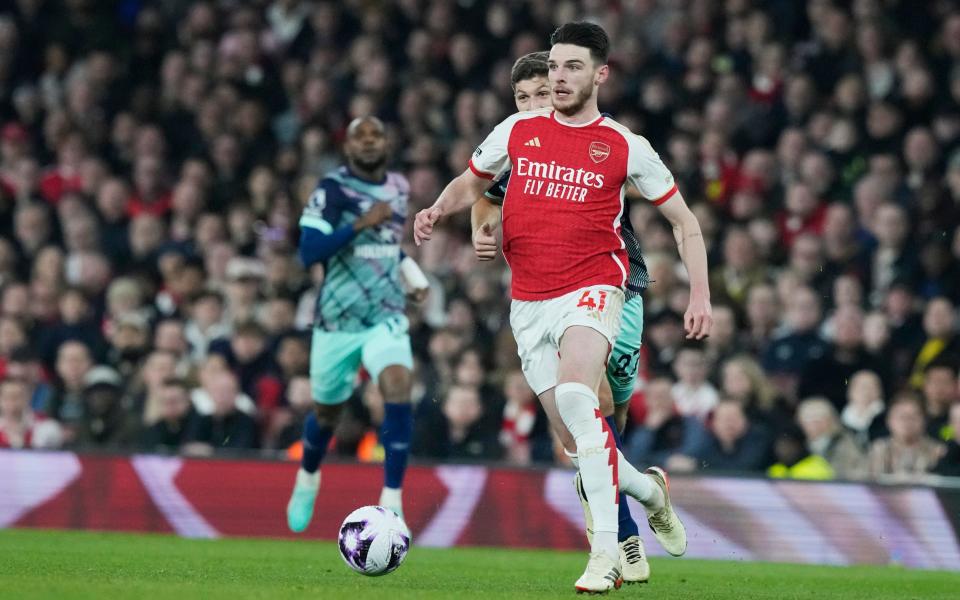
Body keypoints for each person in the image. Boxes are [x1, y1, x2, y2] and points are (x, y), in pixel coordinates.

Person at [415, 23, 711, 592]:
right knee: (580, 445)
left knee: (580, 397)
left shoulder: (625, 145)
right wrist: (437, 209)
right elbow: (471, 183)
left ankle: (604, 556)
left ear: (600, 74)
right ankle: (650, 492)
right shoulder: (518, 129)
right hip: (530, 301)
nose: (559, 77)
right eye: (554, 66)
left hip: (596, 287)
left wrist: (699, 293)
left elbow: (685, 223)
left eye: (573, 66)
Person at [467, 50, 651, 581]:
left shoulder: (593, 141)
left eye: (539, 94)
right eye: (520, 98)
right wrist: (483, 229)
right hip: (549, 297)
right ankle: (621, 538)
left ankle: (626, 519)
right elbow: (484, 196)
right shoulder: (518, 149)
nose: (531, 105)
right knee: (578, 424)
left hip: (618, 288)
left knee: (608, 415)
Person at [286, 116, 430, 532]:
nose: (368, 142)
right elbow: (308, 252)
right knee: (327, 414)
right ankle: (308, 475)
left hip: (384, 313)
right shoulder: (331, 190)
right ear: (348, 147)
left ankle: (392, 496)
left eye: (376, 135)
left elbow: (387, 246)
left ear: (387, 143)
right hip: (336, 320)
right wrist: (358, 223)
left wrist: (412, 277)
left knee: (398, 382)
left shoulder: (399, 187)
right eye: (359, 137)